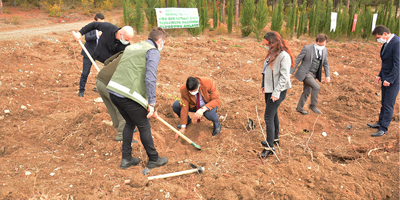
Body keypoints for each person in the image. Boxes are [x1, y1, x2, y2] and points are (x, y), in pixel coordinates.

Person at [106, 27, 168, 169]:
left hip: (114, 91)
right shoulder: (152, 51)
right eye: (163, 43)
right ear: (159, 41)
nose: (163, 46)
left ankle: (126, 159)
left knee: (129, 123)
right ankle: (154, 159)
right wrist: (151, 103)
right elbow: (150, 78)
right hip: (127, 94)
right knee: (144, 126)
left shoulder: (133, 47)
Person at [73, 21, 134, 141]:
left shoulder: (126, 45)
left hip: (111, 65)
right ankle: (122, 129)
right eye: (126, 39)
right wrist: (80, 33)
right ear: (120, 33)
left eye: (129, 40)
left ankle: (122, 125)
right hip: (99, 60)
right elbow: (93, 25)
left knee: (111, 91)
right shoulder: (108, 28)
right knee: (111, 94)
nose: (127, 41)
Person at [259, 31, 293, 158]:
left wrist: (276, 92)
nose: (265, 46)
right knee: (273, 114)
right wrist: (263, 84)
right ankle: (275, 138)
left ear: (273, 43)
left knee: (268, 117)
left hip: (277, 90)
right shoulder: (272, 53)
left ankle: (269, 147)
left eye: (266, 44)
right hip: (269, 89)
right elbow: (265, 70)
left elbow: (284, 77)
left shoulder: (284, 56)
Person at [367, 25, 399, 137]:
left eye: (379, 37)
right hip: (385, 77)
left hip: (393, 79)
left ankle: (383, 128)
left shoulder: (397, 42)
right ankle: (380, 122)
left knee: (388, 104)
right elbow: (386, 62)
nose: (378, 39)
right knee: (384, 102)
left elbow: (397, 64)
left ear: (385, 34)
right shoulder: (387, 43)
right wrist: (380, 75)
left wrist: (390, 79)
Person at [290, 34, 330, 115]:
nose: (321, 46)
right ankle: (313, 105)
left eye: (323, 45)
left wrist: (327, 76)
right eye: (319, 45)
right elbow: (297, 60)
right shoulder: (307, 48)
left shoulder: (325, 50)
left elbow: (326, 63)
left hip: (314, 75)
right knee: (316, 87)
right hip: (306, 73)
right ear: (315, 42)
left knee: (307, 91)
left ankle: (299, 108)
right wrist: (291, 72)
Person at [78, 13, 105, 97]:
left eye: (102, 23)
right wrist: (97, 35)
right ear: (95, 21)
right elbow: (87, 38)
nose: (101, 25)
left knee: (102, 72)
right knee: (85, 73)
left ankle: (99, 88)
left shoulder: (105, 29)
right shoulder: (90, 28)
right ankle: (81, 90)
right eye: (99, 22)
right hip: (88, 53)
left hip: (99, 55)